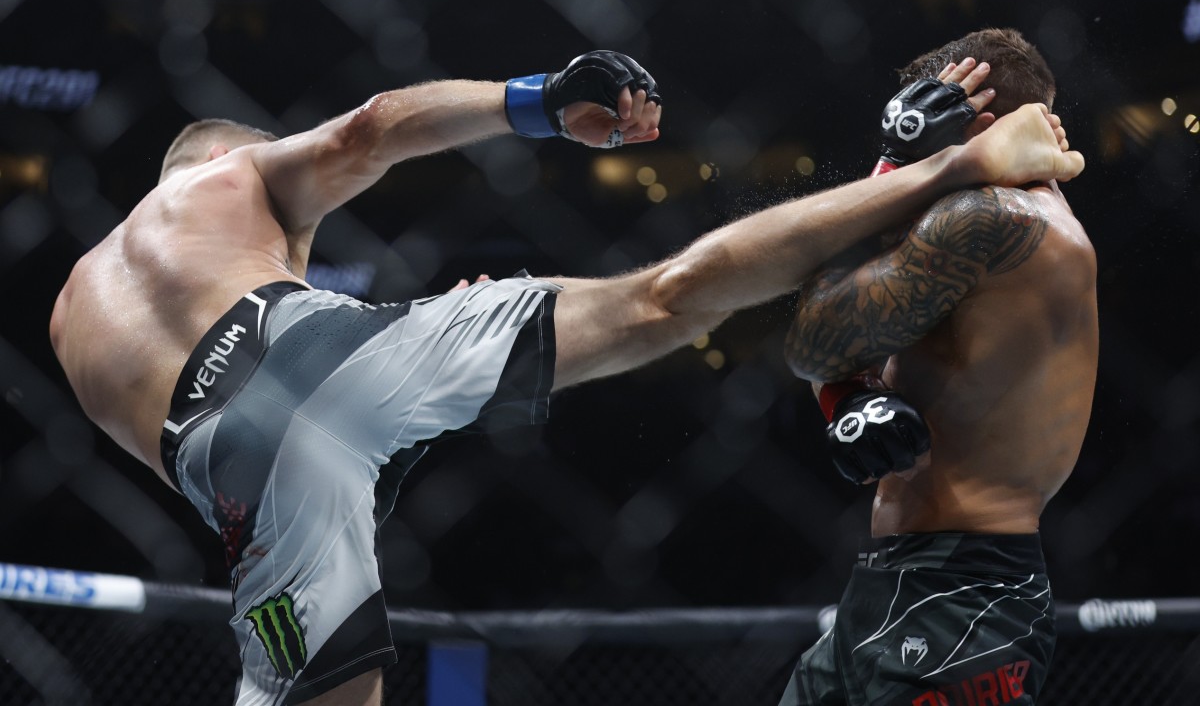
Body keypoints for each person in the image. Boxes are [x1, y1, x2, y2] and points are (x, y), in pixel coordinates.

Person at [48, 48, 1082, 706]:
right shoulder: (229, 173)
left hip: (227, 466)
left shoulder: (69, 311)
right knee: (666, 298)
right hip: (313, 349)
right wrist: (535, 100)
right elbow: (371, 128)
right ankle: (953, 162)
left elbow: (265, 437)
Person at [777, 29, 1099, 706]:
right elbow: (834, 354)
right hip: (891, 581)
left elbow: (814, 337)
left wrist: (894, 160)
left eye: (931, 110)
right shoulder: (1005, 223)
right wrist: (847, 395)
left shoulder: (995, 219)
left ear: (971, 119)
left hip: (966, 595)